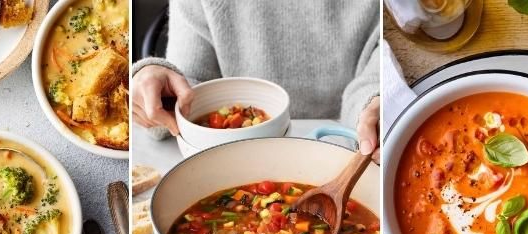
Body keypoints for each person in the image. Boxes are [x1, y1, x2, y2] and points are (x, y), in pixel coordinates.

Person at [131, 1, 380, 160]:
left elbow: (379, 71)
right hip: (226, 162)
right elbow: (187, 88)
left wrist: (373, 110)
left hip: (343, 149)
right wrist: (154, 86)